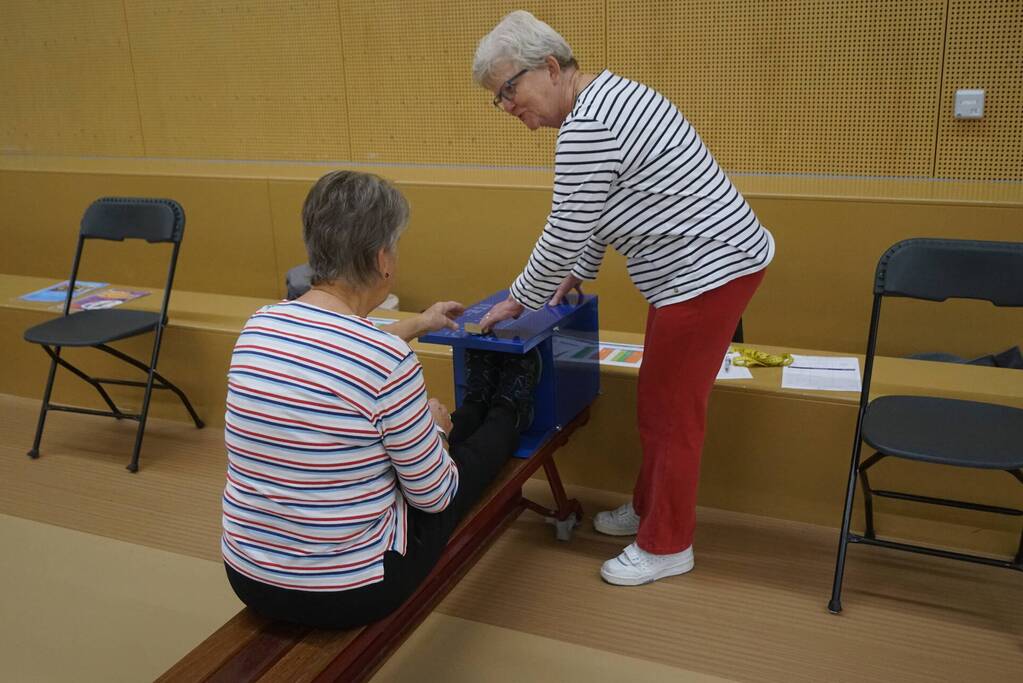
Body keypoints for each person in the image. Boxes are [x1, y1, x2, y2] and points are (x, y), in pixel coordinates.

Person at [473, 11, 775, 586]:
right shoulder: (609, 99)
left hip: (707, 275)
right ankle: (648, 509)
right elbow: (602, 214)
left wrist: (520, 299)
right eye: (499, 99)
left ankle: (667, 545)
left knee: (670, 414)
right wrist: (575, 274)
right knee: (658, 405)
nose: (508, 107)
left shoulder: (589, 127)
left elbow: (565, 227)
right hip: (705, 272)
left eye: (509, 90)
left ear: (553, 67)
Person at [221, 170, 540, 628]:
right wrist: (439, 435)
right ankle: (509, 408)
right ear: (382, 258)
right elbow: (435, 496)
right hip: (350, 590)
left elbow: (335, 351)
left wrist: (419, 323)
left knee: (413, 441)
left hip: (249, 575)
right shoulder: (386, 361)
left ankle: (481, 404)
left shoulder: (259, 327)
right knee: (459, 470)